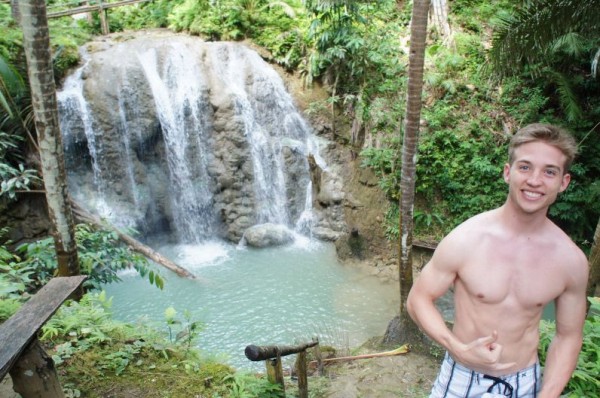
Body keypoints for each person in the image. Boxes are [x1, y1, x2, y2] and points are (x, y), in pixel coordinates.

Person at [407, 123, 589, 398]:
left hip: (524, 383)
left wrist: (548, 394)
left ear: (563, 182)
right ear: (508, 172)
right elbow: (417, 300)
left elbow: (569, 336)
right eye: (525, 167)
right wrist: (457, 348)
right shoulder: (466, 239)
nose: (535, 180)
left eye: (549, 171)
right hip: (460, 376)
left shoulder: (570, 260)